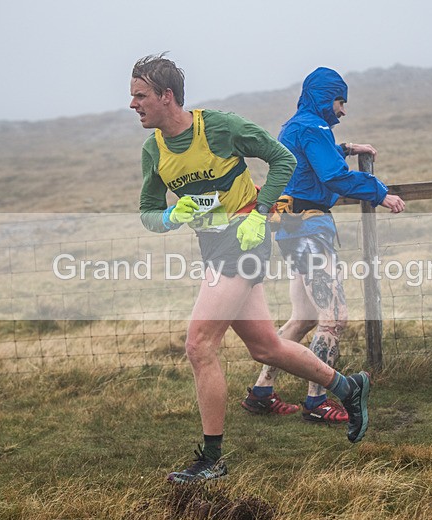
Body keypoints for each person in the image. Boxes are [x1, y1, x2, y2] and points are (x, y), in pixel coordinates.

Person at [130, 54, 371, 483]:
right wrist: (170, 217)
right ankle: (348, 387)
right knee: (266, 347)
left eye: (140, 95)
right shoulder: (154, 150)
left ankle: (212, 460)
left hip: (245, 240)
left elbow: (283, 160)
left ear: (167, 96)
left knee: (199, 345)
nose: (133, 104)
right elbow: (148, 211)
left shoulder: (221, 127)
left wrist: (260, 212)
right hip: (214, 245)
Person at [241, 67, 404, 424]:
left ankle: (261, 392)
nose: (343, 110)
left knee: (305, 317)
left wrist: (345, 147)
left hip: (293, 226)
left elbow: (312, 161)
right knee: (334, 317)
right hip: (307, 228)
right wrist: (381, 194)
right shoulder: (312, 127)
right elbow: (332, 176)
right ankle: (317, 402)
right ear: (323, 97)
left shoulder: (300, 126)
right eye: (339, 101)